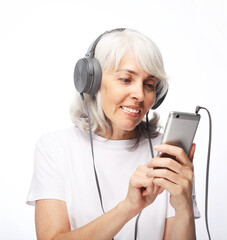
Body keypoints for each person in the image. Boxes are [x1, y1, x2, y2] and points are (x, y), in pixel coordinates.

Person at [27, 28, 200, 240]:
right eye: (126, 79)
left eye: (149, 85)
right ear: (92, 82)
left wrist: (184, 207)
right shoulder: (56, 147)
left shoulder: (165, 153)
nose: (139, 95)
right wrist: (127, 208)